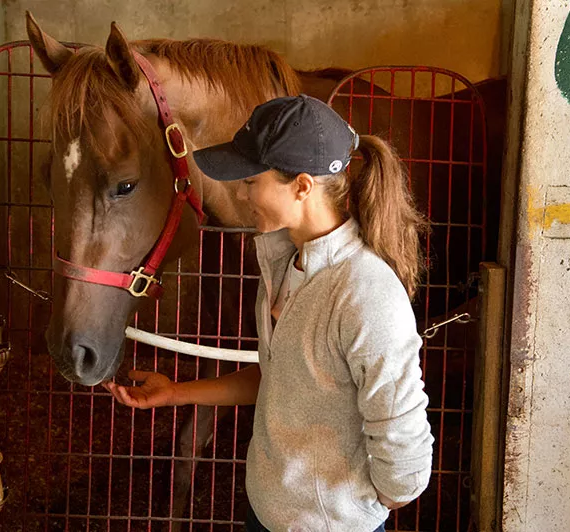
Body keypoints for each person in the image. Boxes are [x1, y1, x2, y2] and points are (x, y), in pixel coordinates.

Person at [103, 95, 434, 532]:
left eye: (251, 180)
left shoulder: (366, 293)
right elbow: (281, 379)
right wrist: (174, 393)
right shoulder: (287, 264)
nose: (241, 193)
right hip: (266, 511)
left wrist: (356, 508)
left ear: (301, 186)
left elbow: (406, 464)